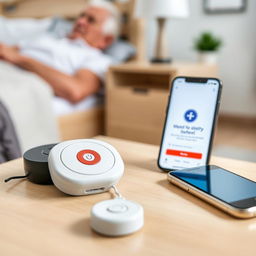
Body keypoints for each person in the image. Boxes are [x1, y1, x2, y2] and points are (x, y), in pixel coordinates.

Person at [0, 0, 120, 103]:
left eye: (91, 20)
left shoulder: (96, 59)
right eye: (82, 16)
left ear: (106, 40)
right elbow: (8, 51)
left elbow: (75, 90)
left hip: (21, 83)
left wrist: (20, 59)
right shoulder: (48, 38)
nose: (80, 21)